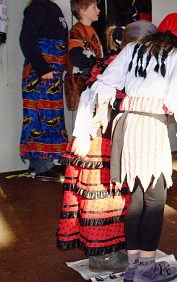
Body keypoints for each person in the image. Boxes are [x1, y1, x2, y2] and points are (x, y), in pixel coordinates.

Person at [85, 13, 177, 282]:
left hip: (126, 124)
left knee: (135, 199)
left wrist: (101, 111)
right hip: (151, 125)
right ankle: (146, 268)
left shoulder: (133, 49)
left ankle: (133, 265)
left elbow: (105, 82)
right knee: (155, 200)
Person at [57, 21, 157, 273]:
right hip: (99, 142)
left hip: (119, 141)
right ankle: (102, 256)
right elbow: (90, 96)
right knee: (101, 199)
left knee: (121, 200)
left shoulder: (141, 67)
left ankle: (117, 248)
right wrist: (82, 133)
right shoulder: (114, 64)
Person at [19, 0, 68, 181]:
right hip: (41, 75)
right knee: (40, 116)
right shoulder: (38, 7)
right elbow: (27, 39)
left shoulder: (53, 8)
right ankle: (41, 167)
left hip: (52, 75)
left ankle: (45, 164)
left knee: (52, 116)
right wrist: (43, 68)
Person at [64, 0, 103, 111]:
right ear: (82, 11)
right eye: (94, 7)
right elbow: (76, 56)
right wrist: (94, 64)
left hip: (90, 80)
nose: (98, 10)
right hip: (81, 83)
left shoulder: (91, 29)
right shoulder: (77, 31)